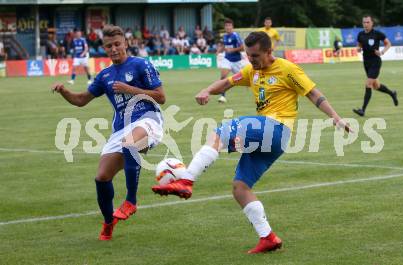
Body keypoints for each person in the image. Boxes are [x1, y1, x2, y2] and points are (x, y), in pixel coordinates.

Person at [151, 31, 350, 254]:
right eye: (248, 55)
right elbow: (226, 83)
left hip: (276, 128)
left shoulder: (287, 69)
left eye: (255, 56)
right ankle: (268, 237)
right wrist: (207, 90)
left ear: (269, 52)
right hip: (272, 141)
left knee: (220, 132)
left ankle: (186, 181)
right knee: (240, 187)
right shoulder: (250, 70)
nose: (251, 60)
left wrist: (335, 116)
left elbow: (313, 94)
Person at [52, 25, 166, 241]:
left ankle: (131, 201)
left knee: (130, 143)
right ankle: (108, 222)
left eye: (117, 44)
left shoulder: (141, 65)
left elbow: (161, 97)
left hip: (149, 119)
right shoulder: (104, 75)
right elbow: (81, 100)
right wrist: (65, 91)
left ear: (126, 43)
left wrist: (131, 89)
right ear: (104, 48)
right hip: (121, 129)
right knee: (102, 177)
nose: (113, 49)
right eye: (108, 46)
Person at [353, 15, 398, 117]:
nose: (366, 24)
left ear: (372, 23)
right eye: (364, 22)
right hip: (366, 63)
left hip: (375, 62)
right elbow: (359, 44)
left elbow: (388, 44)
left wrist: (382, 52)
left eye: (368, 22)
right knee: (376, 86)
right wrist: (358, 48)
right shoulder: (360, 34)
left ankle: (362, 110)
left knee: (368, 84)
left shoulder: (377, 34)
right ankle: (392, 93)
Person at [217, 18, 246, 103]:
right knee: (223, 77)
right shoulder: (225, 36)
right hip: (227, 59)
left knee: (244, 79)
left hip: (236, 61)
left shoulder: (235, 36)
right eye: (226, 26)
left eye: (229, 25)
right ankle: (222, 97)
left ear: (232, 27)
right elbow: (224, 46)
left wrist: (232, 50)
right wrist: (219, 50)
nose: (228, 27)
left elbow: (242, 47)